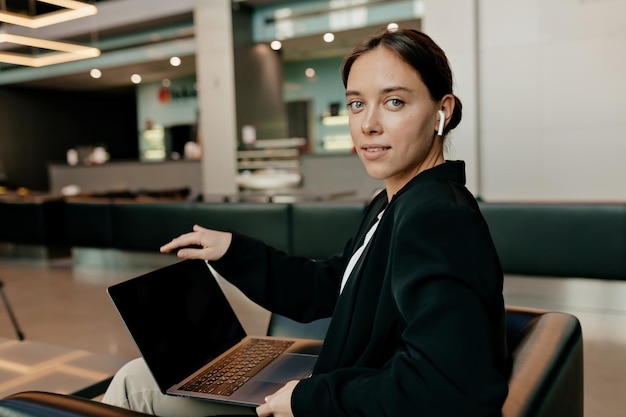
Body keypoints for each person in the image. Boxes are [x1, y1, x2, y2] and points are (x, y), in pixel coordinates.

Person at [103, 27, 509, 417]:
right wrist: (233, 251)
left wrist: (307, 399)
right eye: (356, 104)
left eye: (394, 102)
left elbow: (450, 389)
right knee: (150, 375)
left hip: (333, 399)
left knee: (131, 384)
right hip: (336, 385)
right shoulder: (396, 203)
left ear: (443, 110)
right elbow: (328, 287)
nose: (367, 124)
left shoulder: (436, 217)